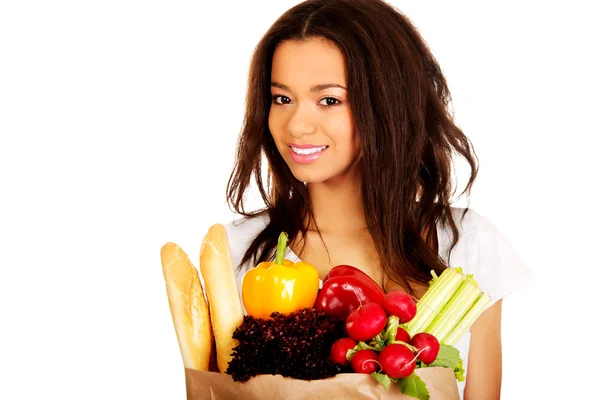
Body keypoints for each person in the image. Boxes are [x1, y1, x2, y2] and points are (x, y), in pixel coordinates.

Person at [220, 0, 532, 398]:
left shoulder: (468, 244)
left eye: (329, 100)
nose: (296, 124)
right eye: (282, 98)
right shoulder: (236, 253)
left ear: (385, 105)